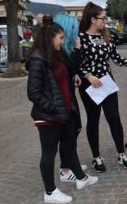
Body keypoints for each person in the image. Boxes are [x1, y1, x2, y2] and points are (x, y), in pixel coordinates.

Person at [27, 17, 97, 204]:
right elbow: (33, 93)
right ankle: (50, 192)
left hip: (64, 112)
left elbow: (63, 77)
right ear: (51, 39)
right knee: (49, 153)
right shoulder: (37, 59)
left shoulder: (56, 55)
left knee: (70, 145)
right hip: (48, 116)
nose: (62, 40)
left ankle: (81, 178)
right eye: (60, 37)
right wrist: (53, 107)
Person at [78, 2, 127, 172]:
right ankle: (96, 157)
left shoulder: (106, 36)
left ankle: (121, 153)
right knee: (93, 120)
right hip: (89, 85)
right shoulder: (80, 38)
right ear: (92, 19)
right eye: (102, 18)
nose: (105, 21)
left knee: (114, 118)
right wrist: (88, 75)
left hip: (107, 83)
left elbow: (117, 59)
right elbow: (76, 63)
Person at [53, 13, 88, 183]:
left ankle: (69, 164)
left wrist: (74, 74)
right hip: (63, 99)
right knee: (70, 132)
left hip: (69, 95)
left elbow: (71, 67)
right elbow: (71, 64)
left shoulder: (63, 50)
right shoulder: (59, 51)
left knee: (75, 129)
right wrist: (78, 49)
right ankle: (66, 169)